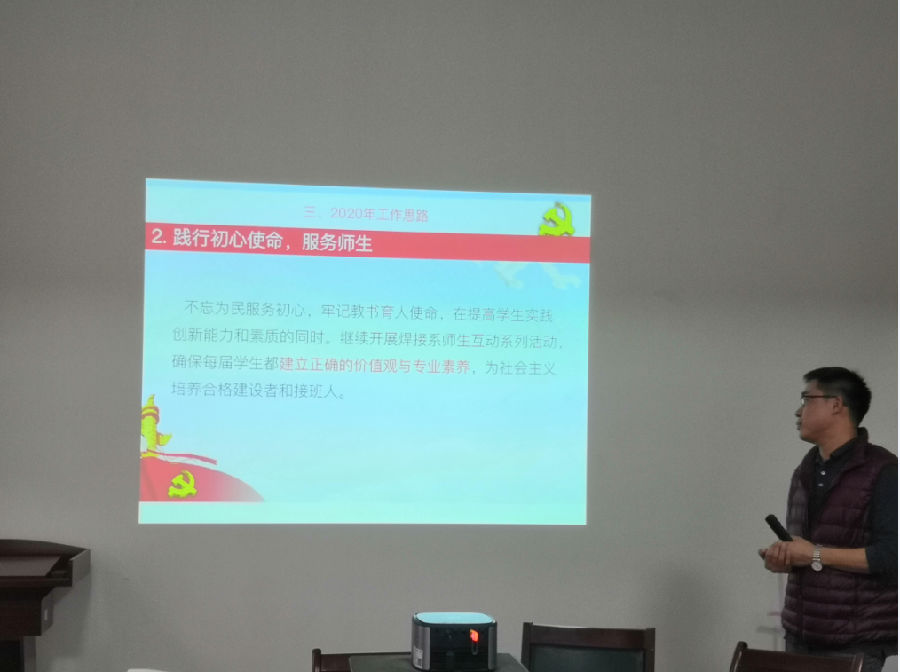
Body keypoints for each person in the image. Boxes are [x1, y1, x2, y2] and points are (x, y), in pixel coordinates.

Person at [759, 367, 897, 672]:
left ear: (836, 404)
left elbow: (891, 556)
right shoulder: (804, 470)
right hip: (800, 634)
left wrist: (814, 553)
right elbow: (808, 551)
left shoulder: (884, 470)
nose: (798, 411)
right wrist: (785, 558)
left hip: (855, 641)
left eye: (806, 399)